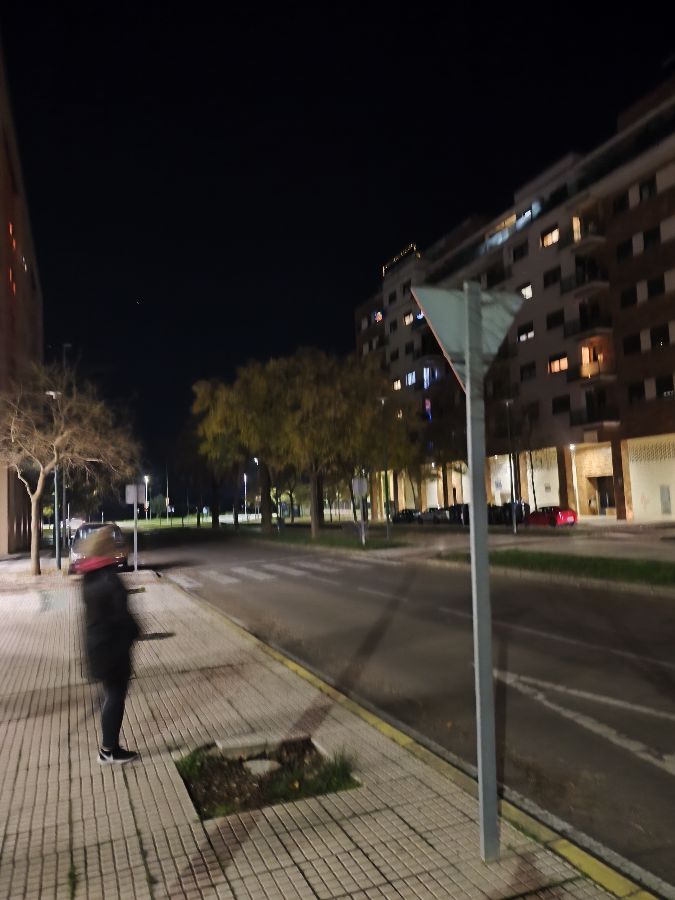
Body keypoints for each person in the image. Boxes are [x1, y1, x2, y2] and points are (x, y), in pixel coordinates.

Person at [77, 525, 140, 764]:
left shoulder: (89, 576)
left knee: (111, 696)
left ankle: (109, 748)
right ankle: (108, 751)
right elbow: (121, 618)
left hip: (98, 647)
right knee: (115, 697)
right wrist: (135, 631)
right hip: (113, 650)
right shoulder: (110, 580)